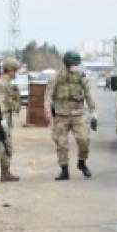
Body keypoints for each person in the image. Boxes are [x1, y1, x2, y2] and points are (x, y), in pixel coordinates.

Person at [45, 50, 96, 180]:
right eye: (74, 64)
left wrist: (93, 111)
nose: (76, 66)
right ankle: (64, 169)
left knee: (83, 139)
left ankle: (82, 162)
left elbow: (88, 94)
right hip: (61, 115)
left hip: (78, 114)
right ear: (67, 63)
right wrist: (47, 111)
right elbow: (48, 95)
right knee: (61, 143)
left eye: (77, 64)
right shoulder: (57, 77)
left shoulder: (80, 76)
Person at [0, 57, 22, 182]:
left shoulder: (7, 84)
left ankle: (5, 172)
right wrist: (1, 120)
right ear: (9, 70)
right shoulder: (2, 84)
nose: (15, 73)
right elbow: (0, 103)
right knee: (0, 146)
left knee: (5, 146)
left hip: (5, 118)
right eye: (14, 70)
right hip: (2, 119)